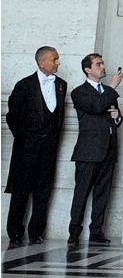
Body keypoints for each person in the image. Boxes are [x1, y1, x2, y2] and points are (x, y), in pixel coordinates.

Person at [5, 46, 67, 247]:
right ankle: (15, 232)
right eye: (54, 59)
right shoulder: (24, 85)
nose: (58, 62)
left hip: (49, 148)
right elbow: (12, 116)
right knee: (21, 191)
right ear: (42, 62)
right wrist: (25, 139)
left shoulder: (61, 85)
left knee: (43, 190)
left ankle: (36, 232)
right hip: (26, 149)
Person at [67, 54, 123, 247]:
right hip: (88, 152)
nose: (102, 66)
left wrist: (117, 117)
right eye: (98, 64)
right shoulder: (79, 92)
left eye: (102, 63)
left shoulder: (106, 92)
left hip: (108, 150)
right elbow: (97, 106)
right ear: (88, 69)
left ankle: (96, 232)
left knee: (103, 194)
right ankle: (74, 232)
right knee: (81, 193)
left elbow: (113, 117)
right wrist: (113, 88)